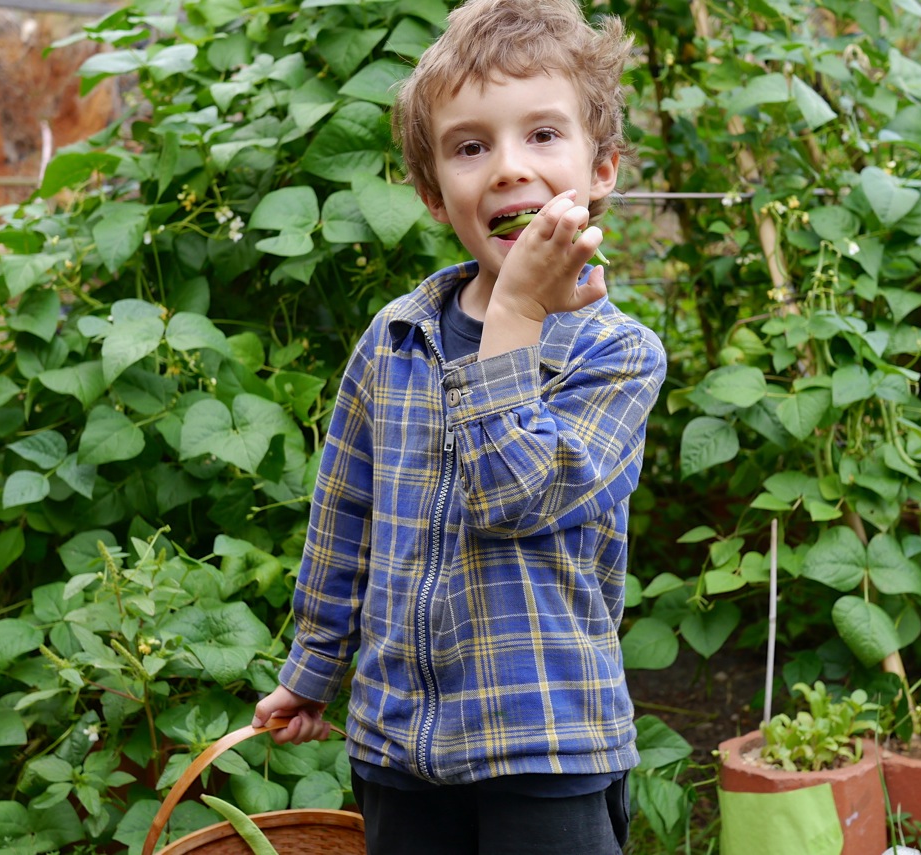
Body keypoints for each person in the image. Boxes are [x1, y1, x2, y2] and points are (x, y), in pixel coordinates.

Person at [252, 0, 666, 851]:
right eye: (472, 146)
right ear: (435, 194)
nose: (510, 168)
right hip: (399, 746)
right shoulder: (397, 337)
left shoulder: (619, 355)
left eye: (543, 135)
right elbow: (344, 521)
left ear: (605, 167)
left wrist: (515, 316)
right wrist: (314, 668)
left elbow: (517, 495)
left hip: (546, 748)